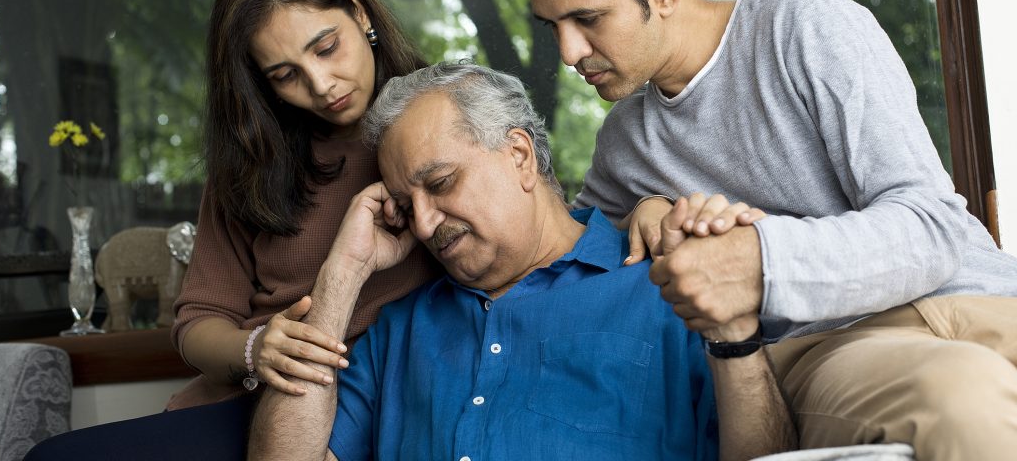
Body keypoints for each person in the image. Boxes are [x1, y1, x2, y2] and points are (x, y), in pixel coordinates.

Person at [501, 0, 1017, 458]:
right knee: (963, 397)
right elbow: (570, 245)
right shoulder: (625, 142)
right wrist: (638, 216)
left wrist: (759, 259)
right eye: (553, 25)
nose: (569, 51)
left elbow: (933, 226)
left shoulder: (800, 22)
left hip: (984, 298)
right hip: (840, 347)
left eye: (587, 18)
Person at [248, 62, 796, 461]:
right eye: (404, 203)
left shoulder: (664, 283)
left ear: (519, 155)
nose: (423, 223)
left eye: (440, 184)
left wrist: (734, 333)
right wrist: (343, 273)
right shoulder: (402, 328)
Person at [24, 0, 440, 461]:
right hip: (246, 402)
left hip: (379, 400)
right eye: (284, 75)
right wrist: (257, 347)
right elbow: (198, 323)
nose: (320, 84)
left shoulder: (439, 123)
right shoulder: (253, 162)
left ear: (359, 11)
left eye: (326, 46)